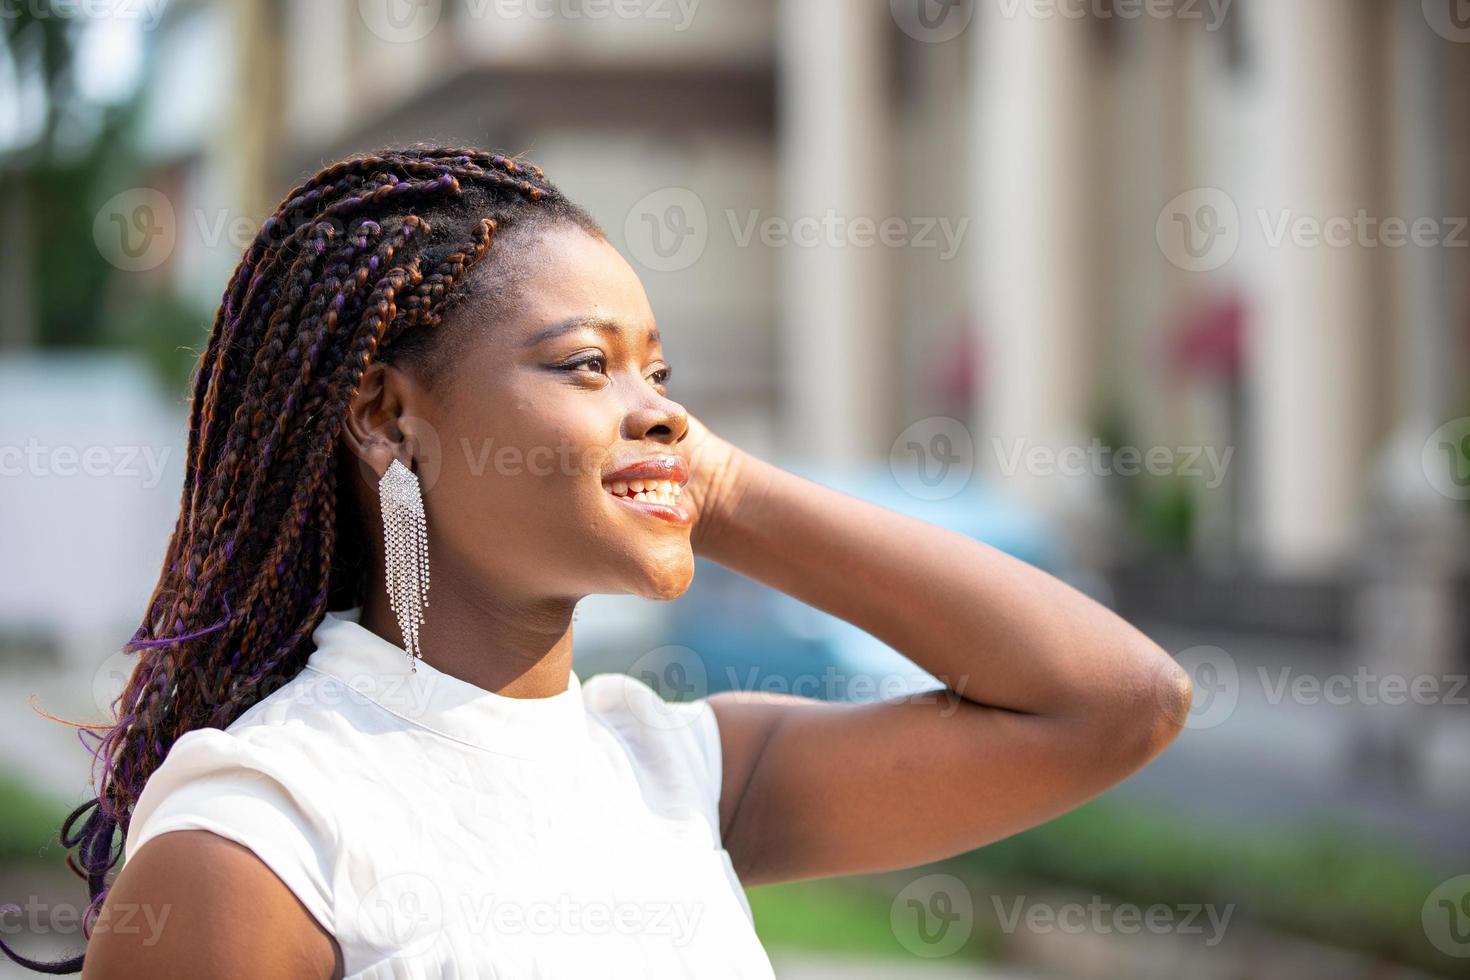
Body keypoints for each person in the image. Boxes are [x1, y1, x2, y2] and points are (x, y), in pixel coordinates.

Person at [1, 145, 1192, 978]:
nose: (659, 411)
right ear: (386, 415)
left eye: (662, 377)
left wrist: (714, 483)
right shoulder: (263, 838)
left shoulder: (678, 767)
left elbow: (1115, 703)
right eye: (584, 364)